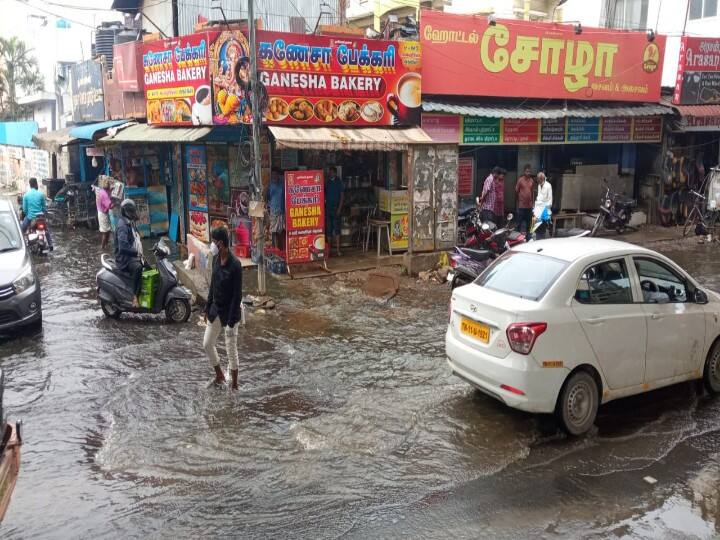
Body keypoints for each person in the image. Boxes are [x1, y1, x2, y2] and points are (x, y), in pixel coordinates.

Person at [203, 227, 243, 390]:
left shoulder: (236, 265)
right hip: (215, 310)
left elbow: (237, 295)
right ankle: (219, 374)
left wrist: (232, 322)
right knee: (207, 343)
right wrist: (207, 308)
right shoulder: (216, 259)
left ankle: (234, 385)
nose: (212, 245)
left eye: (213, 241)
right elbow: (213, 285)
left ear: (221, 243)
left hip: (230, 313)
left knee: (230, 350)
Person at [114, 199, 144, 308]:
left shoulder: (129, 222)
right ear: (127, 212)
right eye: (132, 212)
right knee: (138, 268)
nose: (134, 213)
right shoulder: (122, 226)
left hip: (130, 256)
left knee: (148, 268)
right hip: (124, 259)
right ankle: (135, 297)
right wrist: (136, 253)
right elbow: (123, 247)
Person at [21, 177, 53, 251]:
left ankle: (22, 245)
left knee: (22, 230)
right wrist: (43, 213)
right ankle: (51, 245)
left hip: (30, 218)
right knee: (46, 230)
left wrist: (27, 214)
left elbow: (25, 209)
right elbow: (44, 207)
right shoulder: (41, 194)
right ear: (36, 184)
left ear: (30, 185)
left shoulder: (26, 195)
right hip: (40, 218)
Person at [325, 166, 344, 257]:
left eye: (332, 172)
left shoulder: (339, 182)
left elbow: (342, 196)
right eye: (330, 172)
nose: (330, 174)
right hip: (328, 208)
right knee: (328, 230)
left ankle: (338, 250)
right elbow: (324, 194)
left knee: (337, 230)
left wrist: (339, 208)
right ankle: (329, 251)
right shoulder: (327, 182)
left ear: (335, 173)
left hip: (336, 208)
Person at [266, 168, 285, 250]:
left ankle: (280, 249)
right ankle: (274, 248)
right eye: (273, 174)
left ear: (278, 175)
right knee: (273, 231)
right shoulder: (270, 186)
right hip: (273, 211)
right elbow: (267, 197)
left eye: (276, 174)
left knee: (280, 231)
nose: (274, 176)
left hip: (281, 211)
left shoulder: (282, 185)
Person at [515, 164, 534, 238]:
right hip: (521, 205)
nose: (528, 173)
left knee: (529, 223)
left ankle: (528, 238)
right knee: (519, 223)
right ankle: (518, 238)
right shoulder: (520, 180)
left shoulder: (532, 181)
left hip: (529, 206)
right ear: (524, 171)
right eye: (527, 171)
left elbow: (532, 192)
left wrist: (532, 203)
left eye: (529, 171)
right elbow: (516, 191)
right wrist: (518, 201)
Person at [534, 172, 553, 239]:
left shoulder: (548, 186)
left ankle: (543, 242)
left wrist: (543, 207)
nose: (537, 181)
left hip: (545, 211)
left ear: (542, 179)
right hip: (538, 210)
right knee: (536, 229)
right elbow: (539, 198)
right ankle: (537, 242)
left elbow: (550, 201)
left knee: (543, 230)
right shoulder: (539, 185)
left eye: (539, 180)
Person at [96, 177, 114, 249]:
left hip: (101, 212)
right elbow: (110, 206)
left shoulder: (101, 191)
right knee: (105, 232)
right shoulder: (105, 195)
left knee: (107, 231)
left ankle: (105, 246)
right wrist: (115, 203)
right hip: (103, 214)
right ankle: (103, 248)